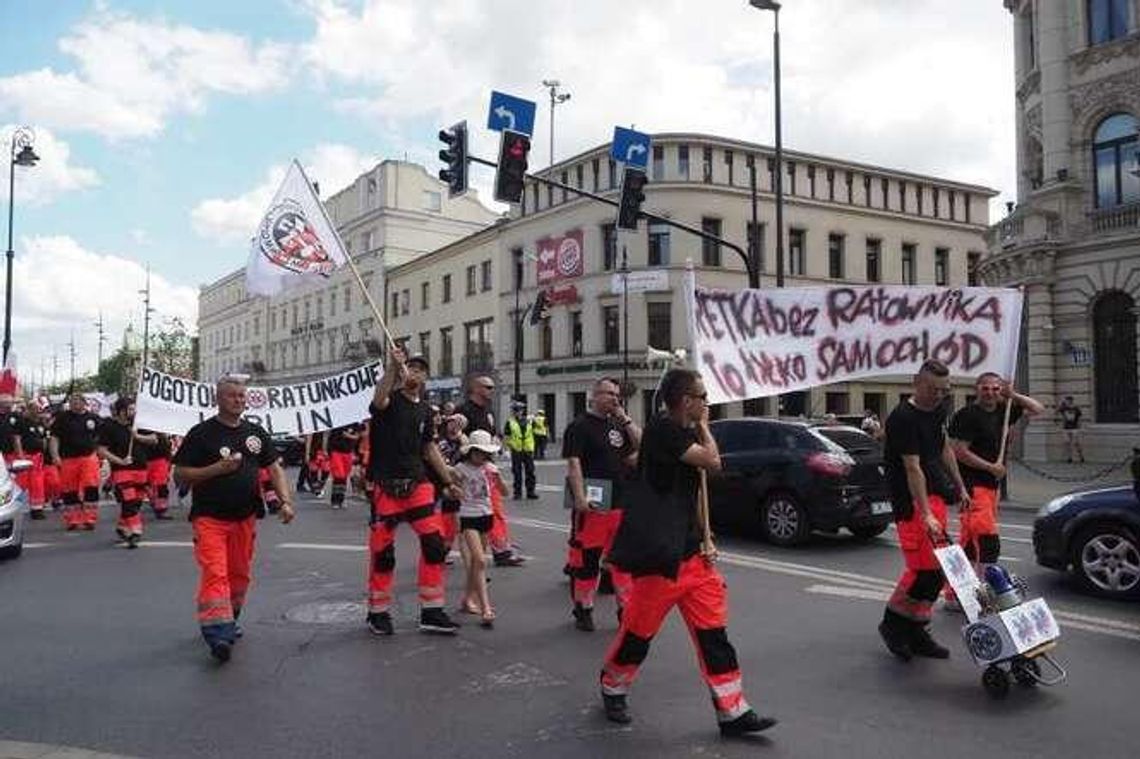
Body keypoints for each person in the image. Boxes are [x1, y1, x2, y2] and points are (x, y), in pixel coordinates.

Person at [599, 368, 775, 736]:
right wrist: (706, 427)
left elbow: (693, 490)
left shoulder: (682, 432)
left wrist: (707, 535)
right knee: (638, 633)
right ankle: (613, 685)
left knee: (714, 636)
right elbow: (713, 461)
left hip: (693, 555)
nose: (707, 403)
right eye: (702, 397)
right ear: (685, 401)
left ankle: (733, 711)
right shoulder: (665, 430)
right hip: (663, 558)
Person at [172, 375, 294, 662]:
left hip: (245, 518)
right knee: (216, 573)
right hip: (210, 518)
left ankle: (230, 619)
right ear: (218, 399)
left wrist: (285, 502)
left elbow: (274, 469)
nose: (238, 400)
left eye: (242, 396)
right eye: (232, 395)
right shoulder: (201, 433)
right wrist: (216, 469)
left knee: (239, 576)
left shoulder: (255, 433)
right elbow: (180, 474)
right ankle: (217, 635)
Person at [365, 348, 463, 636]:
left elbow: (429, 448)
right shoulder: (390, 401)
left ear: (425, 377)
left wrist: (447, 481)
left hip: (418, 482)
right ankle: (378, 613)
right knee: (383, 552)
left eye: (420, 369)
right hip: (386, 483)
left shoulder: (426, 410)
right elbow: (378, 399)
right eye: (411, 367)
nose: (415, 372)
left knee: (434, 545)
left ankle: (431, 612)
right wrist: (392, 369)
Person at [878, 359, 970, 661]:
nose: (939, 395)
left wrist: (960, 485)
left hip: (936, 495)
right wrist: (925, 512)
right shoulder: (903, 417)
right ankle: (893, 626)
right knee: (922, 572)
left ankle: (917, 629)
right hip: (912, 502)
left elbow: (943, 447)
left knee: (938, 571)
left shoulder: (940, 408)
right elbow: (912, 467)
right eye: (933, 389)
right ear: (916, 382)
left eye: (944, 390)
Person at [943, 374, 1043, 610]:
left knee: (969, 542)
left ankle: (956, 595)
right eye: (985, 388)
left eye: (995, 388)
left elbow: (1037, 409)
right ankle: (985, 592)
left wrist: (1013, 395)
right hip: (973, 485)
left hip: (990, 486)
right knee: (987, 542)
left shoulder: (1003, 408)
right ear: (976, 389)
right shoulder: (968, 415)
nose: (990, 392)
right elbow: (958, 451)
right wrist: (991, 467)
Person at [564, 377, 639, 632]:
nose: (614, 398)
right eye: (608, 393)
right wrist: (580, 498)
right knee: (587, 560)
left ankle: (626, 609)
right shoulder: (579, 426)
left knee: (622, 561)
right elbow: (574, 463)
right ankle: (583, 608)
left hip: (620, 501)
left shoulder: (618, 425)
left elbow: (636, 452)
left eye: (617, 394)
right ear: (594, 395)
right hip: (594, 498)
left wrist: (626, 419)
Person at [458, 374, 524, 567]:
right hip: (469, 469)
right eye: (488, 387)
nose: (491, 391)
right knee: (465, 515)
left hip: (487, 466)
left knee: (494, 509)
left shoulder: (488, 411)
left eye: (492, 388)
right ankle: (445, 548)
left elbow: (492, 434)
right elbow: (455, 434)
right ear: (476, 388)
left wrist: (496, 443)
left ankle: (501, 549)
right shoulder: (464, 411)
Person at [450, 429, 507, 628]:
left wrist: (497, 478)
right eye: (477, 452)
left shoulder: (490, 468)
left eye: (484, 453)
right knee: (480, 560)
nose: (480, 456)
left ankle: (467, 599)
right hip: (468, 516)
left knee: (477, 564)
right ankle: (486, 608)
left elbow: (505, 492)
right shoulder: (460, 468)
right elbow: (450, 490)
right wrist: (454, 490)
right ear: (470, 451)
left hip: (486, 515)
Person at [96, 398, 156, 549]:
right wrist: (119, 461)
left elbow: (154, 439)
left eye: (134, 409)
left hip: (141, 468)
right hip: (122, 470)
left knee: (136, 502)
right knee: (128, 500)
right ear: (121, 411)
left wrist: (138, 437)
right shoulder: (109, 426)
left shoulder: (139, 424)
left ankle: (123, 526)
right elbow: (102, 450)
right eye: (130, 409)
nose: (133, 412)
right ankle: (135, 531)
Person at [49, 393, 103, 531]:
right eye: (72, 401)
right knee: (69, 489)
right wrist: (55, 456)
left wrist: (100, 453)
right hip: (68, 459)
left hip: (88, 458)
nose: (75, 404)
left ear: (85, 403)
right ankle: (73, 519)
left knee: (91, 487)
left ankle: (90, 518)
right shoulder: (62, 418)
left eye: (78, 401)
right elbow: (54, 438)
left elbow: (102, 437)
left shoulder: (93, 418)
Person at [17, 405, 49, 519]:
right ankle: (14, 507)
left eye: (38, 409)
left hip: (38, 457)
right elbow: (17, 438)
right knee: (20, 484)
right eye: (33, 409)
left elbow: (45, 437)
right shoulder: (22, 422)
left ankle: (37, 509)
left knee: (37, 483)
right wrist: (20, 454)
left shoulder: (41, 424)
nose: (36, 411)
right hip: (25, 456)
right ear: (28, 410)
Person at [504, 403, 537, 500]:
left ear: (523, 411)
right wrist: (506, 449)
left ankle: (530, 492)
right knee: (517, 472)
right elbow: (507, 436)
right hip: (516, 449)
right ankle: (517, 493)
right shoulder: (510, 422)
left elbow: (534, 432)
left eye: (520, 410)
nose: (518, 412)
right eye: (516, 410)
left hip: (528, 449)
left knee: (530, 471)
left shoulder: (529, 421)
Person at [327, 423, 362, 509]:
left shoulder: (355, 423)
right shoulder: (337, 423)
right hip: (336, 451)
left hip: (348, 452)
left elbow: (357, 435)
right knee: (339, 475)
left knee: (345, 476)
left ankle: (341, 499)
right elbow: (330, 436)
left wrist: (349, 436)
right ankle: (335, 500)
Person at [140, 429, 174, 519]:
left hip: (159, 459)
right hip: (152, 459)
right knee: (155, 484)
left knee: (160, 484)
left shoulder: (159, 428)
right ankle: (157, 505)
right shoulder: (142, 428)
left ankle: (159, 507)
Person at [1056, 396, 1084, 463]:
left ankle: (1081, 456)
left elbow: (1080, 417)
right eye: (1066, 401)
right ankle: (1069, 457)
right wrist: (1061, 403)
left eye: (1068, 401)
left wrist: (1080, 426)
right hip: (1066, 428)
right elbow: (1056, 411)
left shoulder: (1076, 408)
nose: (1067, 402)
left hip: (1075, 427)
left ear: (1071, 401)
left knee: (1076, 443)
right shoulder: (1063, 408)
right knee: (1067, 442)